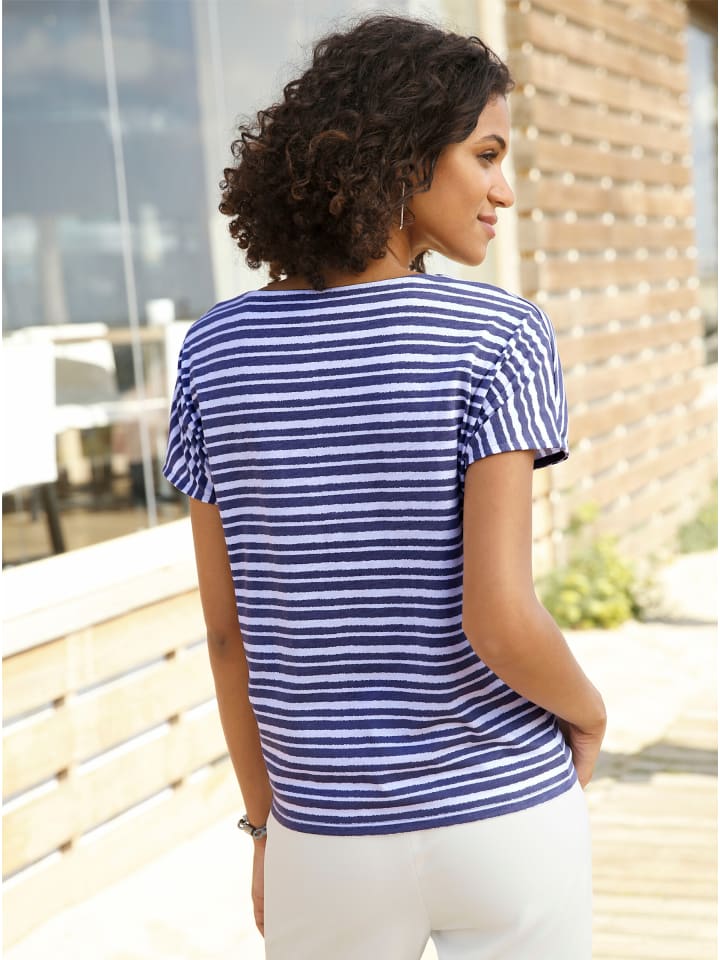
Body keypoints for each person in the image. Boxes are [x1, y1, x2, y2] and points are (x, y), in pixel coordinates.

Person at [163, 14, 606, 960]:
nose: (504, 189)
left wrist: (264, 827)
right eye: (485, 155)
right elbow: (500, 619)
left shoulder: (213, 353)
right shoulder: (499, 336)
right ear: (405, 155)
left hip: (325, 837)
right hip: (503, 816)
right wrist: (589, 709)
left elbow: (228, 637)